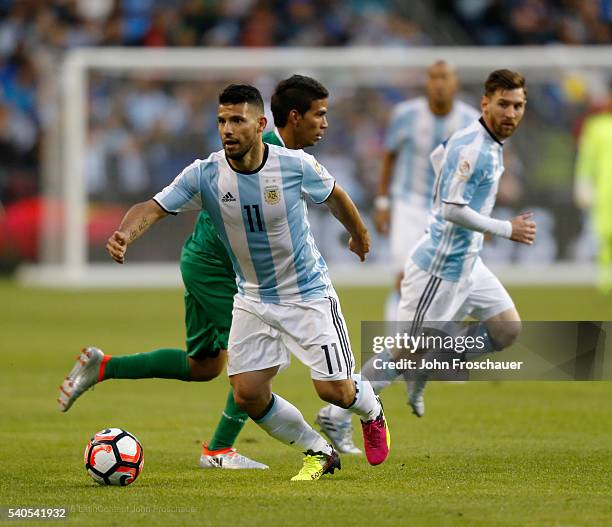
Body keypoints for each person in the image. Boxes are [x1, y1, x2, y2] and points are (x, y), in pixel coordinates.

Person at [104, 84, 390, 481]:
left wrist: (359, 234)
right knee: (248, 392)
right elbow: (152, 207)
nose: (227, 129)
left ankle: (372, 411)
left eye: (236, 120)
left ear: (260, 124)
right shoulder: (205, 174)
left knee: (335, 392)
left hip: (307, 294)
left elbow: (335, 196)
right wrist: (125, 234)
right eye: (221, 121)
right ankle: (318, 451)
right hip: (253, 298)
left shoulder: (293, 166)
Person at [57, 75, 337, 470]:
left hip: (207, 262)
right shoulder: (266, 150)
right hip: (219, 269)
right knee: (258, 366)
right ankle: (218, 451)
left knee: (203, 366)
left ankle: (103, 366)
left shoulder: (285, 159)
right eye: (319, 116)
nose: (324, 125)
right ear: (293, 117)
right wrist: (125, 232)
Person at [321, 69, 535, 429]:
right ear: (486, 103)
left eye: (518, 105)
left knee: (506, 330)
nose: (511, 113)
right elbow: (451, 208)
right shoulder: (475, 147)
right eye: (503, 104)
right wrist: (505, 228)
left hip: (469, 263)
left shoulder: (483, 140)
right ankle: (336, 415)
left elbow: (439, 157)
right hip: (439, 267)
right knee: (404, 350)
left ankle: (428, 364)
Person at [372, 61, 479, 415]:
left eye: (444, 78)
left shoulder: (469, 119)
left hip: (448, 208)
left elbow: (476, 171)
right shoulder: (405, 114)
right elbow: (389, 157)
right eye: (432, 78)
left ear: (454, 82)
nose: (438, 85)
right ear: (426, 83)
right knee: (404, 278)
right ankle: (396, 354)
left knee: (449, 280)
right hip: (409, 204)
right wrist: (383, 201)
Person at [574, 83, 612, 293]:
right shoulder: (595, 126)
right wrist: (583, 183)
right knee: (605, 234)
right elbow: (586, 159)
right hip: (604, 190)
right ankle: (605, 280)